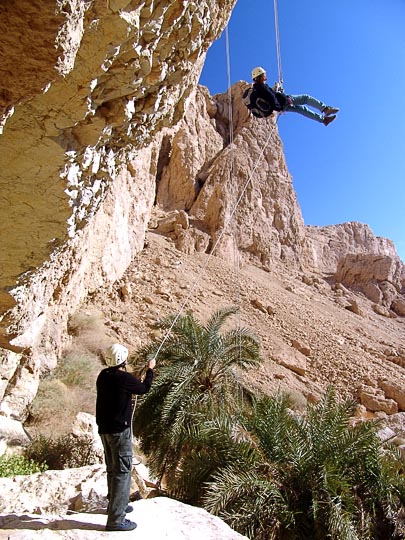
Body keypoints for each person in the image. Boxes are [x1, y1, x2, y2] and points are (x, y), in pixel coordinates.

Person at [96, 343, 155, 532]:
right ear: (123, 360)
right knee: (122, 471)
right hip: (119, 431)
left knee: (112, 469)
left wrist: (135, 379)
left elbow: (127, 385)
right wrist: (150, 371)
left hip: (104, 430)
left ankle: (116, 505)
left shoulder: (103, 376)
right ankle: (116, 519)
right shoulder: (124, 378)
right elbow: (144, 388)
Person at [244, 66, 339, 126]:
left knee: (302, 109)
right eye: (264, 74)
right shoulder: (262, 87)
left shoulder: (257, 89)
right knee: (306, 98)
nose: (266, 76)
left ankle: (324, 120)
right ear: (260, 76)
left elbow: (269, 96)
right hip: (284, 102)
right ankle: (325, 109)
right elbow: (272, 98)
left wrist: (276, 91)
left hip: (282, 107)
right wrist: (281, 104)